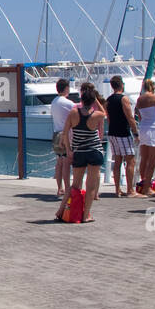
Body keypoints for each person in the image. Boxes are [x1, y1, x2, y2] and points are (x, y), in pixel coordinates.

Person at [55, 82, 106, 223]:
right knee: (90, 187)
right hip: (95, 151)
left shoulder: (73, 113)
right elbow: (104, 113)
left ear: (82, 100)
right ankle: (86, 216)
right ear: (93, 101)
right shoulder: (96, 115)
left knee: (75, 185)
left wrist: (69, 150)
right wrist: (95, 99)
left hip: (79, 152)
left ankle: (60, 210)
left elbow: (65, 133)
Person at [105, 75, 138, 197]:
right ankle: (130, 190)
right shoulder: (124, 99)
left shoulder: (108, 100)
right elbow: (130, 117)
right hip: (123, 133)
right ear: (122, 85)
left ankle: (117, 189)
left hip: (112, 132)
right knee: (130, 160)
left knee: (117, 160)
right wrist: (135, 133)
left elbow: (108, 118)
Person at [134, 78, 155, 196]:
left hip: (143, 128)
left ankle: (143, 183)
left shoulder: (139, 99)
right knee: (152, 161)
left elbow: (139, 116)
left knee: (144, 159)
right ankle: (147, 188)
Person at [50, 78, 74, 198]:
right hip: (65, 135)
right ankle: (68, 188)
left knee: (59, 162)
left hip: (56, 133)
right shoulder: (68, 103)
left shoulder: (54, 102)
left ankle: (60, 188)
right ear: (66, 88)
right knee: (66, 163)